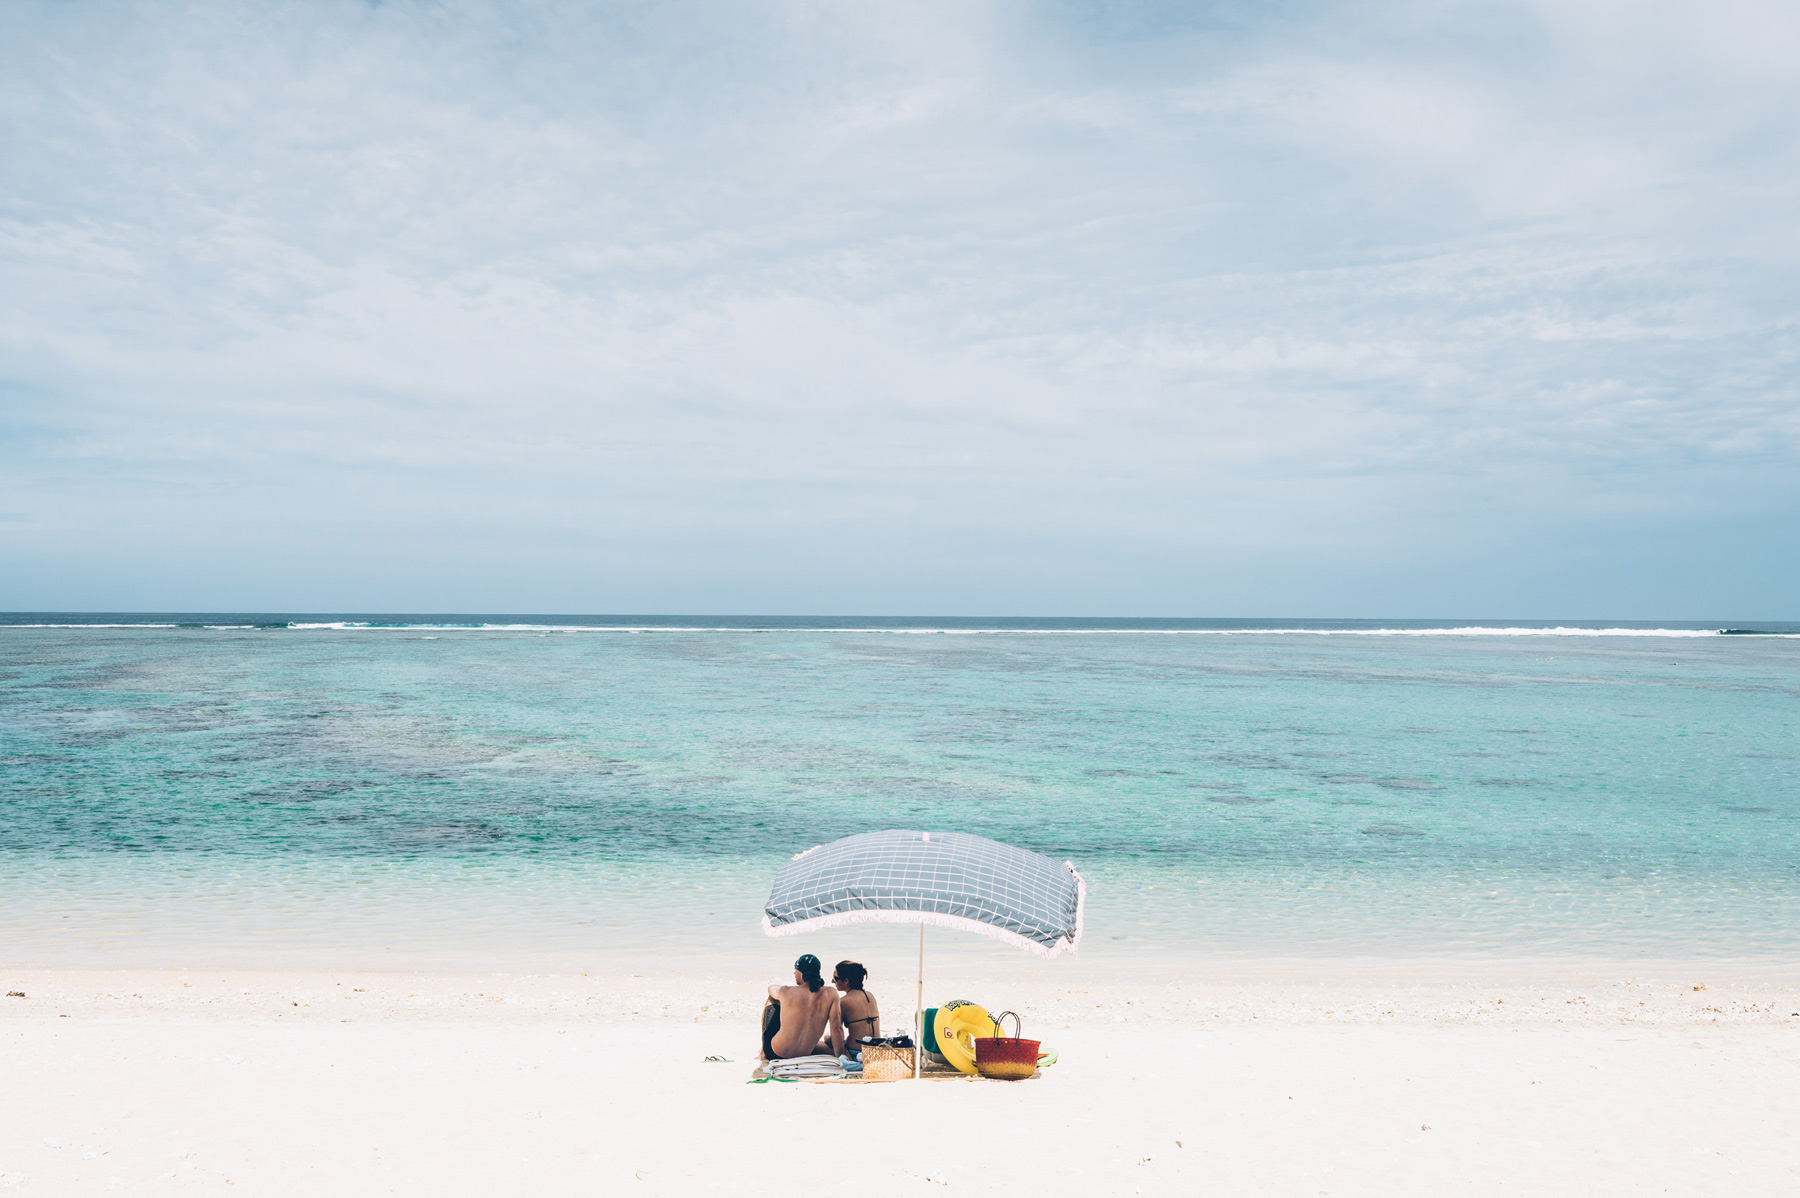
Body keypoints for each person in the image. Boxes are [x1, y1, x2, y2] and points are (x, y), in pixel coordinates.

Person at [760, 953, 843, 1061]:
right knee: (827, 1047)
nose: (794, 973)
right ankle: (841, 1056)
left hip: (775, 1053)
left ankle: (763, 1052)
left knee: (772, 999)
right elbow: (836, 1028)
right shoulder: (831, 993)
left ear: (802, 973)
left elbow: (771, 989)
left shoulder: (786, 991)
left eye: (796, 969)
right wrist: (840, 1060)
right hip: (803, 1055)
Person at [831, 960, 880, 1049]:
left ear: (846, 981)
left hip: (855, 1053)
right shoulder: (870, 996)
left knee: (816, 1046)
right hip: (876, 1051)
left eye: (835, 978)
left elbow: (836, 1032)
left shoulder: (843, 1002)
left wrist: (827, 1038)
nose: (832, 981)